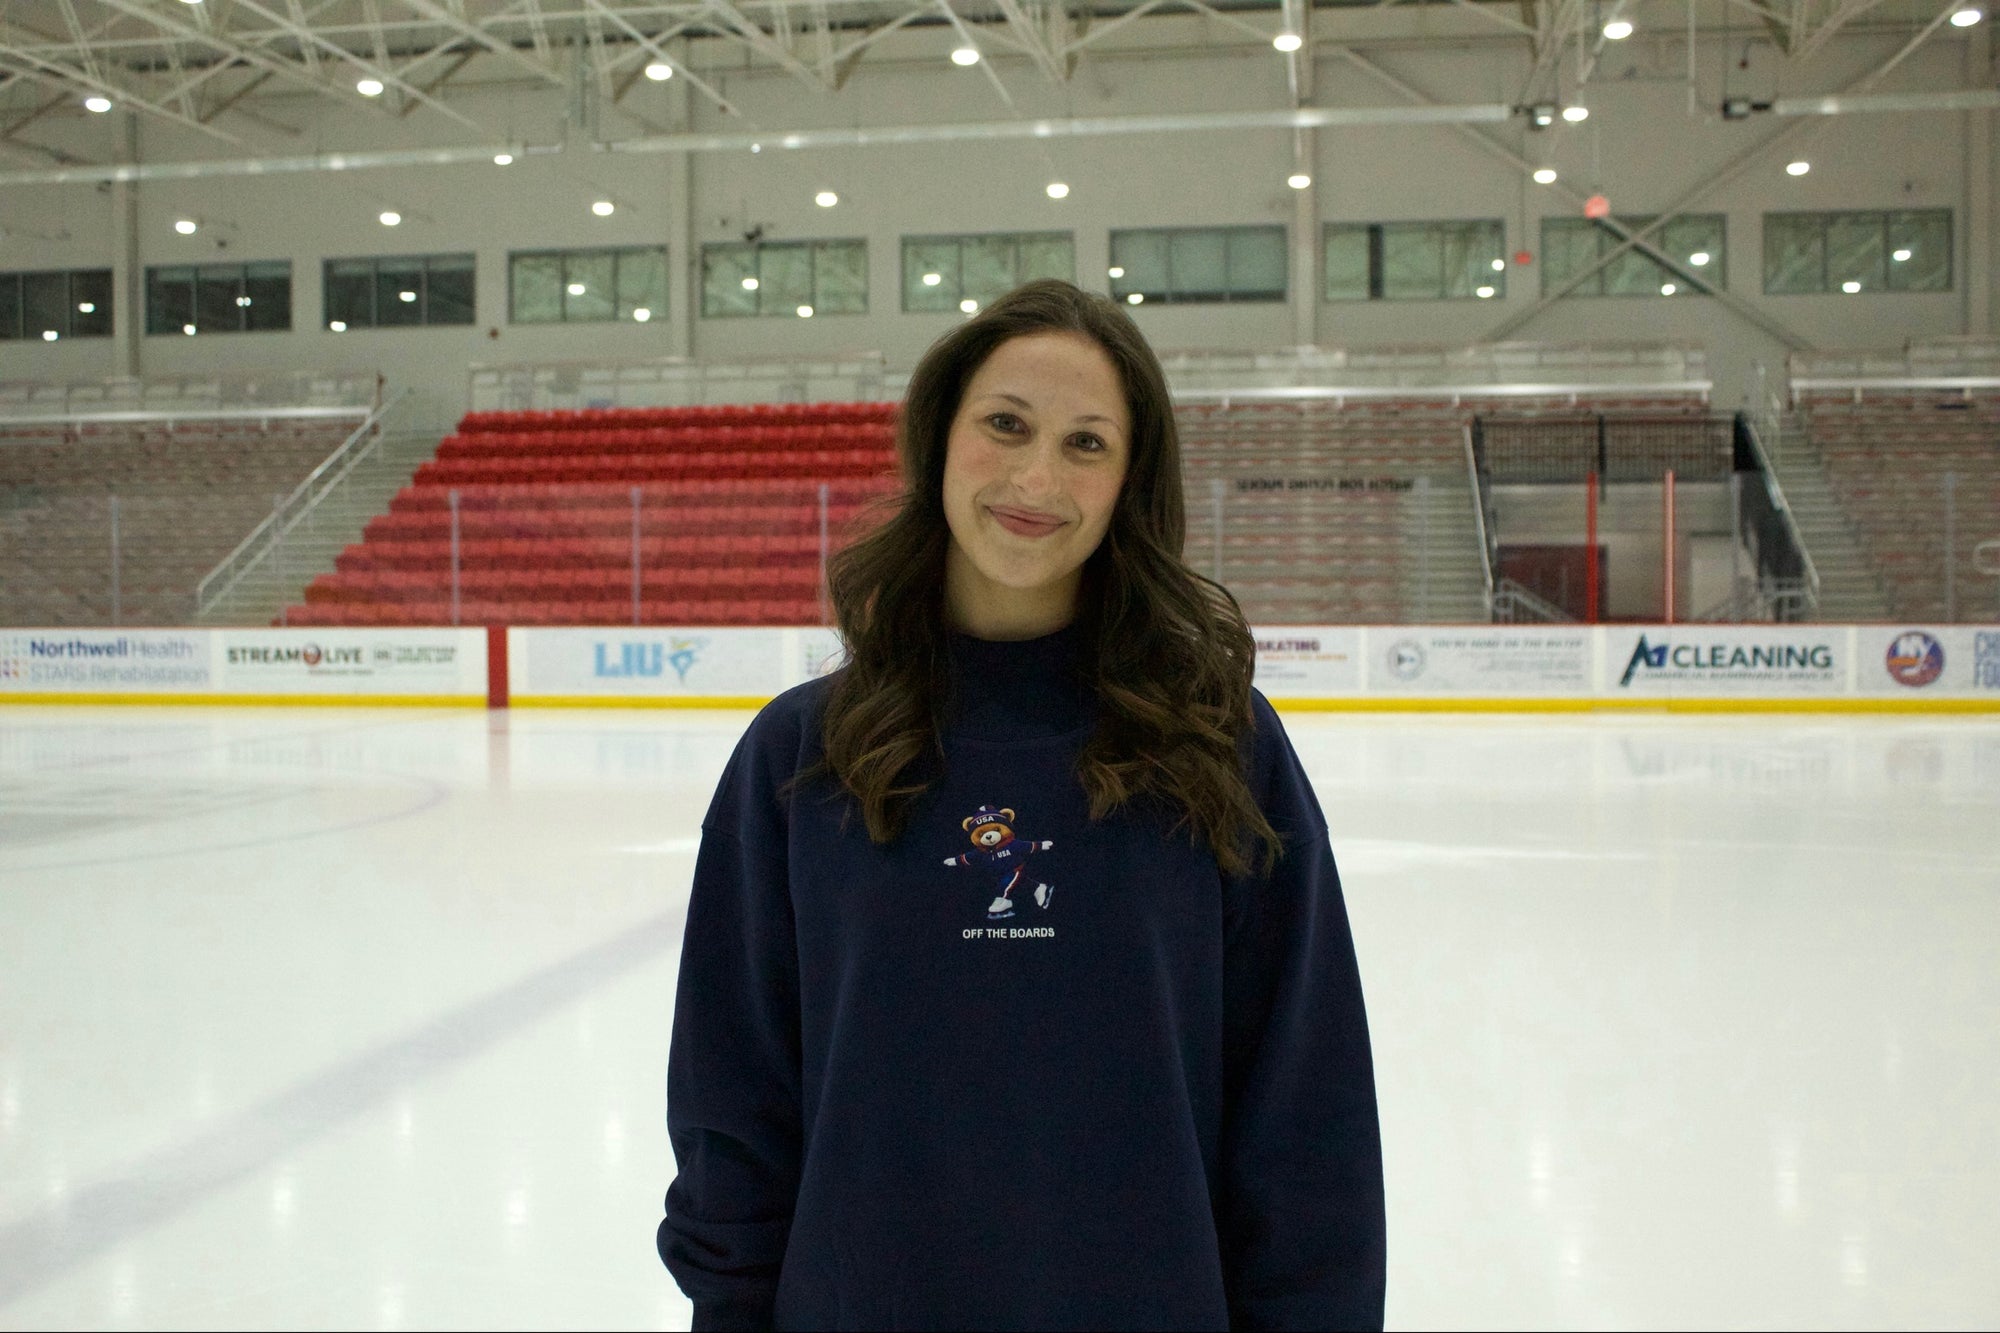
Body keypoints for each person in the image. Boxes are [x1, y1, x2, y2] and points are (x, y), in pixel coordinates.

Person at [657, 279, 1384, 1331]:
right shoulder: (801, 756)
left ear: (1130, 479)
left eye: (1086, 443)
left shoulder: (1219, 746)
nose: (1037, 477)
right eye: (1005, 424)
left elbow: (1305, 1110)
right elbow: (733, 1104)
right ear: (939, 440)